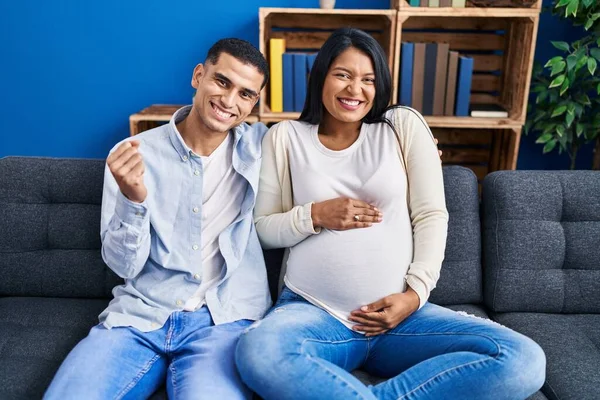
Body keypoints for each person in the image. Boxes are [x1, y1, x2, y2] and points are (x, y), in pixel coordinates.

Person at [235, 27, 546, 400]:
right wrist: (315, 214)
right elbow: (264, 230)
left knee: (524, 359)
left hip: (402, 318)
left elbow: (431, 214)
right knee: (258, 352)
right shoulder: (285, 137)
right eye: (343, 75)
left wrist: (414, 295)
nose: (355, 89)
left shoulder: (401, 127)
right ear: (321, 76)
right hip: (313, 312)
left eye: (368, 79)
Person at [45, 38, 271, 400]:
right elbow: (124, 266)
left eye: (245, 94)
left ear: (254, 103)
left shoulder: (262, 148)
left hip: (223, 321)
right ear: (199, 75)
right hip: (139, 317)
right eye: (222, 82)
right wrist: (134, 201)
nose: (229, 102)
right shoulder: (133, 154)